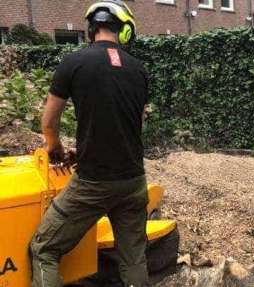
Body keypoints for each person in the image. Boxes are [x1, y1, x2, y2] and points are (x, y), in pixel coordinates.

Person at [29, 1, 150, 286]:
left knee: (43, 248)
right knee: (133, 260)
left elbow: (48, 123)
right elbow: (135, 127)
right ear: (125, 30)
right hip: (133, 181)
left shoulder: (74, 62)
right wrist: (82, 149)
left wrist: (55, 147)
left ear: (91, 28)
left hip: (92, 182)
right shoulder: (139, 70)